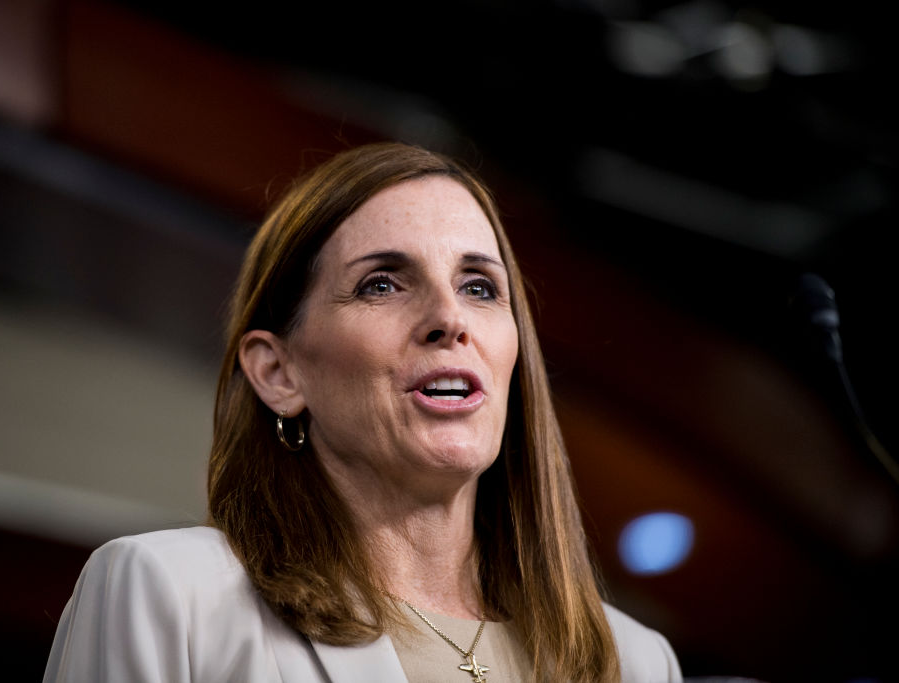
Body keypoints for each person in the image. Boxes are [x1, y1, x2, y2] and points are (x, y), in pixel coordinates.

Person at [43, 142, 682, 682]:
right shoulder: (167, 596)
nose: (449, 319)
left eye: (479, 286)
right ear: (278, 372)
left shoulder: (638, 663)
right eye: (382, 283)